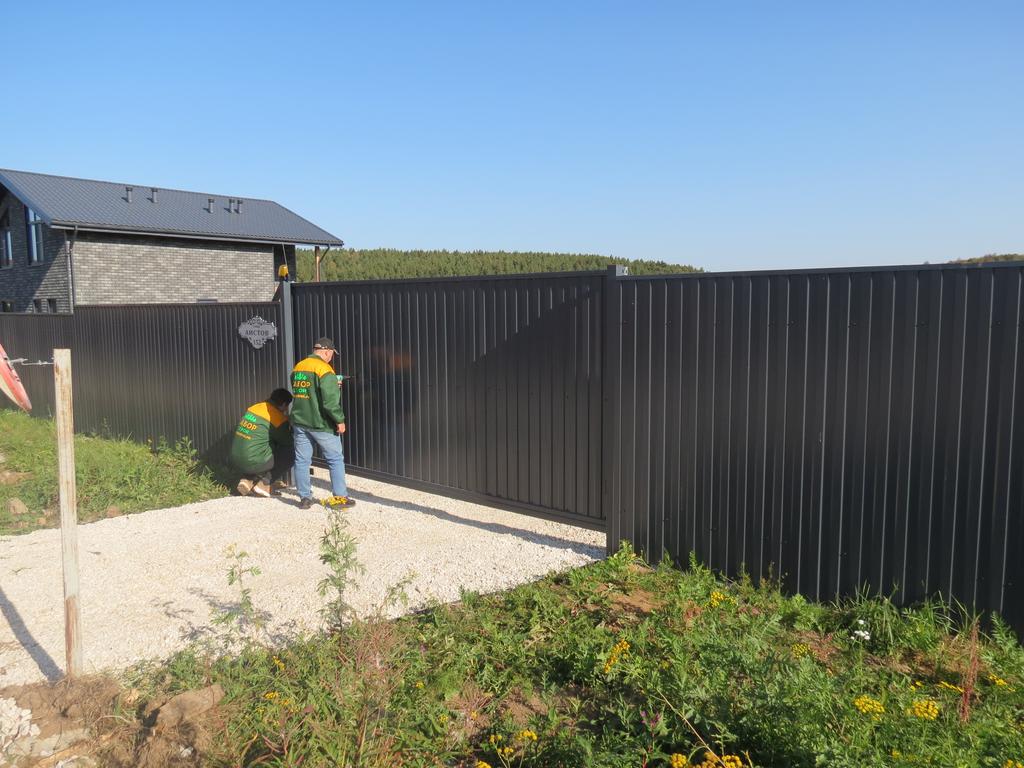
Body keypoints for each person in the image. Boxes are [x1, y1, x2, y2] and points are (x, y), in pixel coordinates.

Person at [290, 337, 355, 510]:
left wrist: (332, 384)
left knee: (302, 460)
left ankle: (305, 498)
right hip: (321, 424)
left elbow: (304, 391)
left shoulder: (299, 366)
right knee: (335, 459)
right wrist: (339, 420)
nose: (331, 358)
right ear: (326, 352)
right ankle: (340, 497)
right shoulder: (324, 369)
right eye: (332, 354)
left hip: (300, 422)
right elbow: (330, 403)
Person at [229, 388, 295, 497]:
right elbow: (287, 442)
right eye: (287, 406)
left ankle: (247, 480)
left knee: (258, 445)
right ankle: (264, 484)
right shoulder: (277, 418)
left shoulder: (255, 408)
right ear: (284, 404)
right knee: (291, 454)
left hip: (235, 459)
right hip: (252, 461)